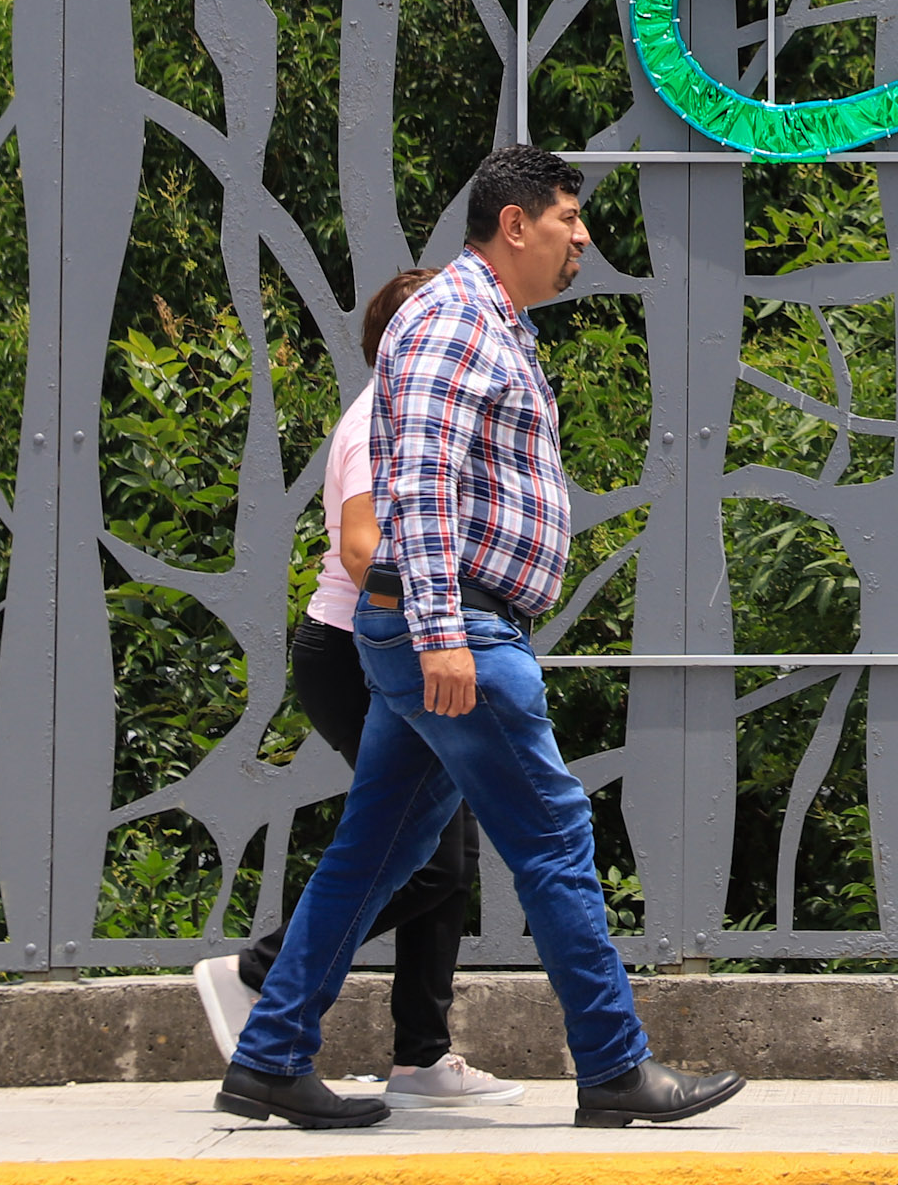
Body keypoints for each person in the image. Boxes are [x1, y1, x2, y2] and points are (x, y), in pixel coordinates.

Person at [215, 148, 742, 1131]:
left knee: (377, 847)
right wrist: (443, 633)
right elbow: (416, 485)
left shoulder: (487, 321)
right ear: (514, 224)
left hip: (445, 622)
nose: (581, 237)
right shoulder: (455, 321)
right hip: (453, 624)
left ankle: (271, 1053)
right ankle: (617, 1065)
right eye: (567, 219)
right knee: (553, 834)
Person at [192, 268, 520, 1107]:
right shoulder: (375, 419)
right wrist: (447, 602)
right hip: (357, 651)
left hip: (393, 644)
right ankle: (259, 975)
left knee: (446, 855)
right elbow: (360, 547)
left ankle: (419, 1056)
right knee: (432, 860)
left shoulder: (410, 413)